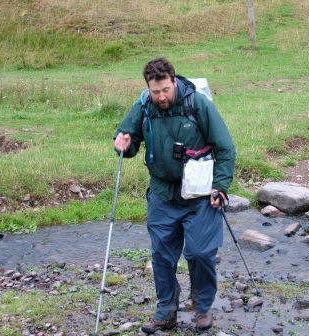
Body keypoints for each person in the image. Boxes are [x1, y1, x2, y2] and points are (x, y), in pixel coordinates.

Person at [114, 57, 236, 333]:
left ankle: (202, 307)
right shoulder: (144, 104)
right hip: (162, 194)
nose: (161, 97)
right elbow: (127, 137)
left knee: (201, 253)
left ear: (174, 81)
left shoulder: (198, 104)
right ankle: (166, 311)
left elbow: (226, 149)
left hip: (201, 195)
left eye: (165, 90)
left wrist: (221, 186)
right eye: (155, 91)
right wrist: (123, 143)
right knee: (161, 256)